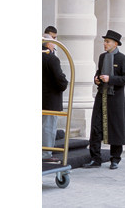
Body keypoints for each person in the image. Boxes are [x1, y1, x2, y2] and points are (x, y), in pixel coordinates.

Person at [82, 30, 125, 170]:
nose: (104, 44)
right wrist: (97, 78)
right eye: (104, 41)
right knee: (96, 127)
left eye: (107, 41)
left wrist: (110, 79)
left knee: (115, 127)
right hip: (101, 96)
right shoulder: (102, 57)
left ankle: (115, 159)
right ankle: (95, 158)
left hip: (115, 99)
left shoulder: (123, 59)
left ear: (115, 44)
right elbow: (99, 72)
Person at [42, 33, 68, 163]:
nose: (55, 42)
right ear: (48, 43)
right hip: (50, 101)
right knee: (48, 128)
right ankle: (45, 154)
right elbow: (60, 80)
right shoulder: (51, 59)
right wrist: (64, 83)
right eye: (53, 40)